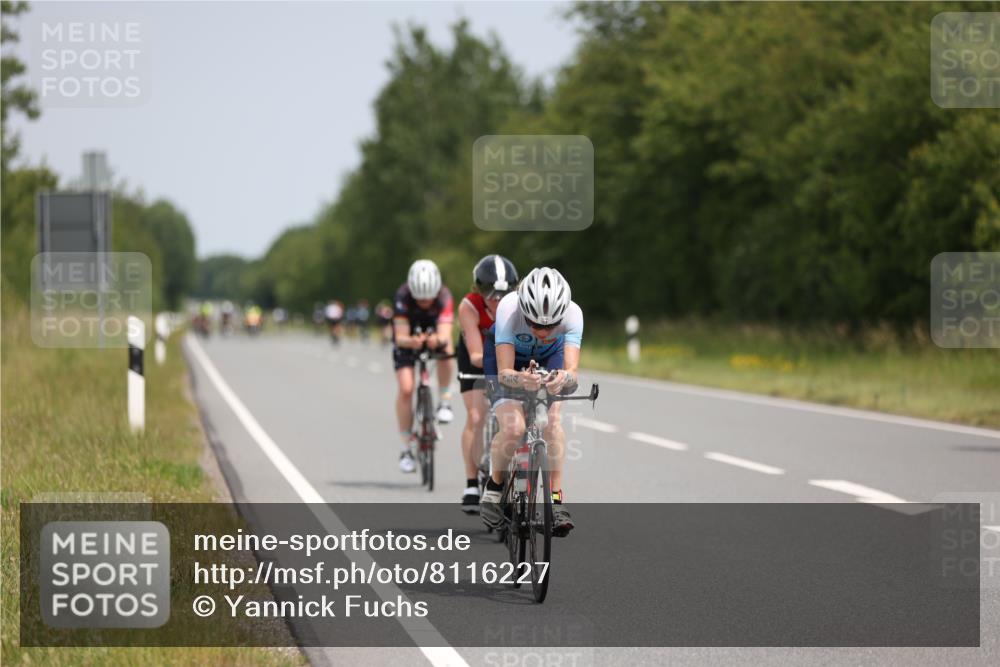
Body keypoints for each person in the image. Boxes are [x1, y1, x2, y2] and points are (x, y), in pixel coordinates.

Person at [479, 267, 583, 537]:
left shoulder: (573, 314)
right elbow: (504, 373)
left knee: (552, 422)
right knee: (513, 428)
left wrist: (561, 379)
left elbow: (572, 374)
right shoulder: (508, 309)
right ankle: (495, 486)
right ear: (524, 310)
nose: (543, 331)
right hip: (507, 359)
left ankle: (556, 500)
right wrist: (521, 380)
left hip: (550, 358)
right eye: (535, 324)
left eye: (551, 326)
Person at [455, 254, 518, 513]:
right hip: (477, 359)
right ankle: (471, 482)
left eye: (503, 292)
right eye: (489, 292)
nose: (496, 298)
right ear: (478, 290)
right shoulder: (469, 306)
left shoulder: (517, 305)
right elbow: (476, 355)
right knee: (476, 415)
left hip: (507, 360)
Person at [392, 259, 455, 473]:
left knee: (447, 351)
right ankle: (406, 447)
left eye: (429, 298)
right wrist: (412, 341)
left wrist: (436, 340)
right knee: (407, 388)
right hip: (408, 340)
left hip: (433, 334)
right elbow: (400, 337)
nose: (425, 302)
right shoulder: (402, 296)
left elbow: (445, 334)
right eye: (420, 299)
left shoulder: (445, 296)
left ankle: (445, 401)